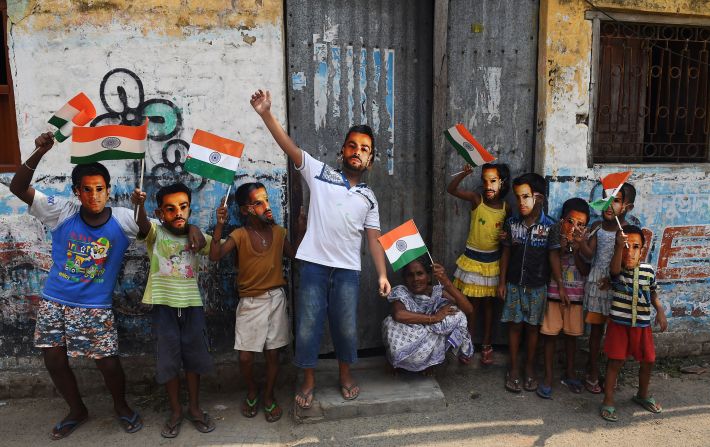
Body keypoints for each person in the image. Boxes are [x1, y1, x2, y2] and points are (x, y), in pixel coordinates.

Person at [8, 133, 192, 439]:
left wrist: (156, 215)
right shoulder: (62, 212)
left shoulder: (122, 219)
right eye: (87, 190)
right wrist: (39, 152)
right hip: (55, 299)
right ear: (76, 192)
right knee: (53, 358)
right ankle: (77, 409)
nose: (94, 195)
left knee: (107, 363)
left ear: (108, 191)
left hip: (95, 306)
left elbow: (157, 231)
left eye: (100, 189)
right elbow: (17, 188)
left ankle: (121, 406)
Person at [251, 89, 391, 409]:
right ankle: (309, 379)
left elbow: (373, 237)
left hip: (347, 272)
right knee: (309, 324)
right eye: (352, 145)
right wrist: (265, 114)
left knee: (345, 326)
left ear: (371, 159)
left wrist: (382, 274)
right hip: (313, 265)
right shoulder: (320, 173)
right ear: (342, 151)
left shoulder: (369, 198)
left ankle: (344, 375)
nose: (358, 151)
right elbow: (288, 146)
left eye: (365, 149)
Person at [210, 182, 304, 423]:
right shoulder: (239, 235)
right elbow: (215, 256)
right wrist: (219, 225)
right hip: (250, 302)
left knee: (273, 354)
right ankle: (252, 389)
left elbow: (295, 256)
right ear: (245, 210)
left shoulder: (279, 232)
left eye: (267, 201)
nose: (266, 207)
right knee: (245, 357)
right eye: (258, 203)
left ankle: (269, 395)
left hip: (276, 299)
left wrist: (300, 229)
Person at [132, 183, 215, 438]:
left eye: (183, 207)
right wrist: (139, 205)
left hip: (192, 306)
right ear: (160, 213)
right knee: (168, 362)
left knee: (193, 361)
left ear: (190, 209)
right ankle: (176, 410)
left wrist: (197, 228)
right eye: (170, 209)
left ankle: (195, 408)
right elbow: (142, 223)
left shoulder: (198, 238)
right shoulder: (155, 233)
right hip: (164, 308)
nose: (178, 213)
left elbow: (217, 251)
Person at [600, 225, 667, 422]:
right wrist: (619, 248)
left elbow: (652, 292)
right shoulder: (617, 269)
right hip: (619, 325)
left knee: (648, 361)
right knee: (615, 362)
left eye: (635, 247)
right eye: (626, 247)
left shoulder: (648, 271)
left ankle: (642, 394)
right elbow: (612, 272)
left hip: (642, 326)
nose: (630, 252)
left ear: (642, 250)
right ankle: (608, 401)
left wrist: (660, 311)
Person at [447, 162, 510, 365]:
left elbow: (509, 236)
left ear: (502, 182)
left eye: (493, 181)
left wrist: (505, 236)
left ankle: (487, 343)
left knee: (489, 307)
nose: (488, 185)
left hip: (492, 264)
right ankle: (468, 342)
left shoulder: (506, 208)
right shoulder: (477, 200)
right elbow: (452, 189)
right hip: (473, 261)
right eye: (485, 181)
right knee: (471, 305)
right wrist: (464, 174)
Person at [498, 173, 555, 393]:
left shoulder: (550, 226)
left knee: (533, 329)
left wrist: (558, 284)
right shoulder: (511, 223)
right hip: (513, 284)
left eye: (526, 197)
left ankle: (529, 368)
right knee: (514, 327)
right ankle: (513, 368)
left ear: (539, 198)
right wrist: (502, 282)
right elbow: (505, 253)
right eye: (517, 197)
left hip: (538, 287)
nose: (520, 203)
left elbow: (553, 257)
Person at [578, 183, 635, 394]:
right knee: (595, 332)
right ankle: (592, 371)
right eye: (605, 200)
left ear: (626, 206)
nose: (609, 205)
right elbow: (590, 254)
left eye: (616, 200)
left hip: (618, 287)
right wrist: (579, 242)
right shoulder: (596, 228)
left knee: (616, 333)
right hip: (597, 287)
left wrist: (613, 280)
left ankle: (611, 373)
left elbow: (630, 262)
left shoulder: (627, 232)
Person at [382, 257, 474, 374]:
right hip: (409, 336)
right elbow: (398, 314)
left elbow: (468, 309)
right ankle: (396, 362)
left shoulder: (437, 292)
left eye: (420, 274)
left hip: (430, 333)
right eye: (410, 275)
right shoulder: (402, 292)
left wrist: (446, 282)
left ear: (429, 277)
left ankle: (429, 362)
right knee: (391, 323)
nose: (415, 279)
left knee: (457, 315)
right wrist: (434, 318)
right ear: (405, 279)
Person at [538, 198, 591, 399]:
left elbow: (585, 269)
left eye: (581, 225)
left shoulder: (583, 243)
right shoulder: (554, 234)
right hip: (553, 294)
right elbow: (550, 259)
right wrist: (562, 246)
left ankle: (570, 373)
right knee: (550, 336)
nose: (574, 228)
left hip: (576, 297)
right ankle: (548, 376)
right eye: (570, 221)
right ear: (562, 221)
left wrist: (577, 249)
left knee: (572, 336)